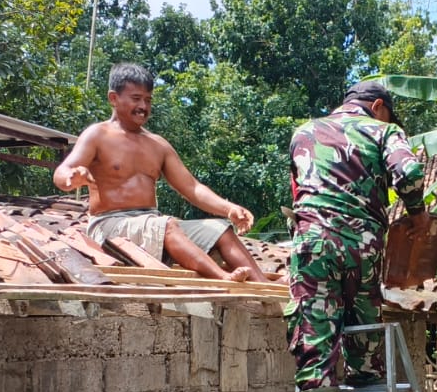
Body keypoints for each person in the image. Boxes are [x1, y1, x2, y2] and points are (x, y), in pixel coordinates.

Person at [287, 81, 428, 392]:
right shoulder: (384, 131)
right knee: (364, 345)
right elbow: (411, 171)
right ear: (379, 107)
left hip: (314, 247)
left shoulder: (304, 132)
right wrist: (416, 213)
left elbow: (298, 192)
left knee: (316, 343)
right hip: (365, 253)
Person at [52, 62, 274, 282]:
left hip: (151, 222)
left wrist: (229, 209)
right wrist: (72, 178)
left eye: (148, 100)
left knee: (220, 229)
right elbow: (62, 173)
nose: (143, 106)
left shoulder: (158, 144)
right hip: (110, 225)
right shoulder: (97, 135)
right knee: (166, 225)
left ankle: (263, 284)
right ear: (114, 98)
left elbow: (192, 188)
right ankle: (223, 277)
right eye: (136, 98)